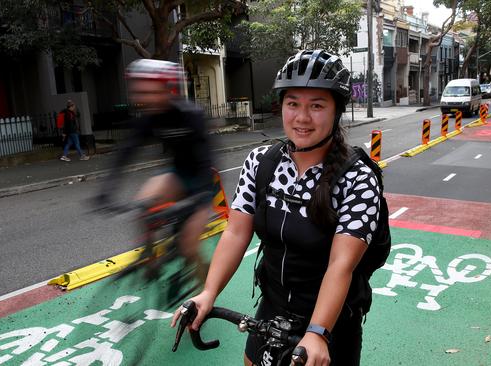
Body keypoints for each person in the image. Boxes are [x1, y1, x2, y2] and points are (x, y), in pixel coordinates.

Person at [171, 50, 383, 366]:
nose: (302, 117)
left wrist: (317, 332)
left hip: (331, 317)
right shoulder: (261, 164)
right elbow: (235, 232)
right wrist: (209, 292)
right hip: (272, 308)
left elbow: (342, 264)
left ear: (337, 110)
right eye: (293, 103)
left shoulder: (357, 177)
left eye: (317, 105)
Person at [96, 59, 213, 282]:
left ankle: (204, 292)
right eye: (140, 92)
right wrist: (106, 189)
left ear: (167, 88)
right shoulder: (151, 117)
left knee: (189, 247)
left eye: (149, 92)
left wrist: (200, 200)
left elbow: (207, 160)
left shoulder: (191, 115)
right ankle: (149, 257)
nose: (142, 98)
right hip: (178, 174)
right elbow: (126, 152)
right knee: (143, 204)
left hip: (202, 181)